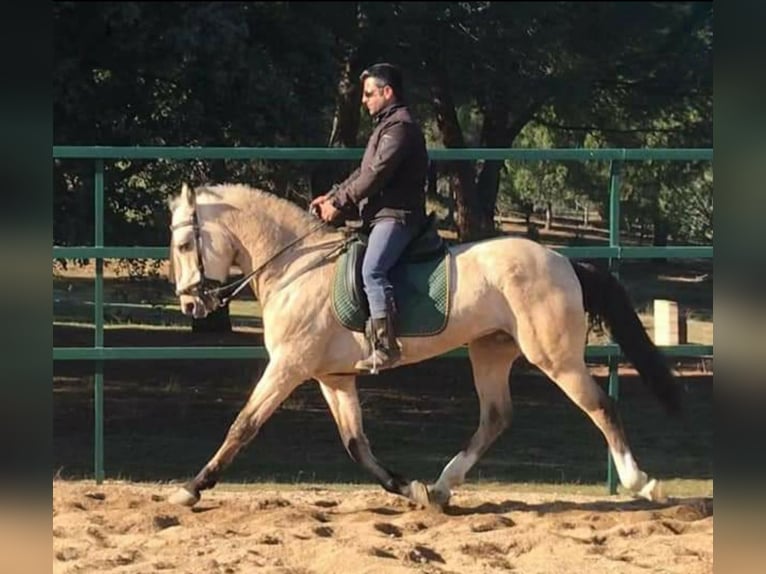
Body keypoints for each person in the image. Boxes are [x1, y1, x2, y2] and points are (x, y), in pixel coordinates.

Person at [310, 62, 429, 372]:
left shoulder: (400, 128)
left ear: (387, 92)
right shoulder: (387, 128)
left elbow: (376, 175)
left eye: (369, 94)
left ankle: (386, 347)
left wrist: (340, 203)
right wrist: (333, 195)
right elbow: (363, 173)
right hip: (382, 216)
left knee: (372, 271)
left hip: (397, 217)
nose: (364, 100)